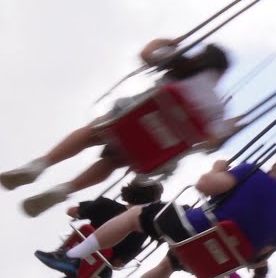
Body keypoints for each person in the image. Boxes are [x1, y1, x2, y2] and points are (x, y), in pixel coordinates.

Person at [35, 154, 276, 278]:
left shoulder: (253, 173)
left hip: (192, 230)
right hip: (210, 262)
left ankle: (73, 255)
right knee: (169, 265)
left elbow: (206, 186)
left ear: (275, 167)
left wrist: (218, 169)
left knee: (135, 216)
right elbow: (257, 261)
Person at [4, 41, 236, 217]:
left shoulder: (181, 64)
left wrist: (170, 41)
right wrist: (228, 128)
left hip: (129, 119)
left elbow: (146, 53)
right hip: (151, 145)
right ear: (221, 73)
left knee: (91, 134)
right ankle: (65, 189)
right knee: (113, 162)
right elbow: (210, 142)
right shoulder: (216, 106)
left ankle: (41, 164)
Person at [38, 178, 162, 278]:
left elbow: (72, 212)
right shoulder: (140, 233)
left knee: (79, 270)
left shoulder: (105, 204)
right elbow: (118, 262)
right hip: (100, 265)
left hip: (76, 250)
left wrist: (81, 210)